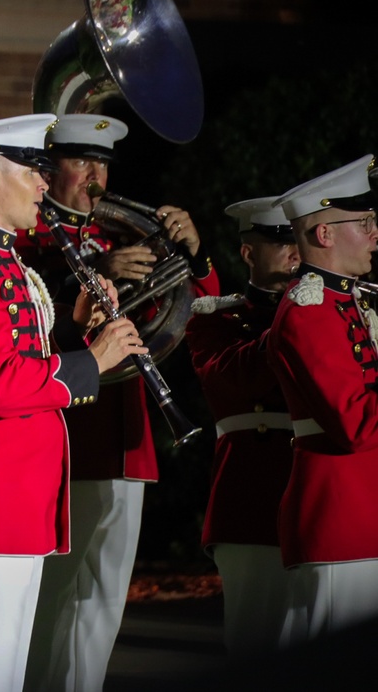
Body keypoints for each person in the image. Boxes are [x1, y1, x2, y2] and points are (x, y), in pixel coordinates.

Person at [0, 113, 147, 692]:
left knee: (7, 670)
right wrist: (92, 360)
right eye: (33, 168)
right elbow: (2, 384)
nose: (45, 183)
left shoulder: (1, 259)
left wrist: (74, 332)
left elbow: (22, 358)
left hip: (16, 487)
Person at [18, 113, 220, 692]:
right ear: (50, 169)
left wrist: (193, 254)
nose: (95, 176)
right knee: (53, 593)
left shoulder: (125, 236)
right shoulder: (29, 239)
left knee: (103, 599)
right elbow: (28, 327)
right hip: (66, 437)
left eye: (102, 163)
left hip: (129, 438)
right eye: (82, 162)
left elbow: (191, 314)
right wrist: (92, 277)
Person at [266, 155, 378, 644]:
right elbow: (355, 426)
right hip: (339, 518)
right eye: (366, 222)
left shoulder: (348, 303)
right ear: (325, 235)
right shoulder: (308, 310)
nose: (376, 233)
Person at [185, 196, 299, 657]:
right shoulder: (217, 318)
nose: (294, 249)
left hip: (318, 497)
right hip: (251, 499)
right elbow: (233, 378)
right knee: (254, 648)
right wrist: (298, 322)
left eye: (298, 238)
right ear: (248, 252)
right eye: (279, 240)